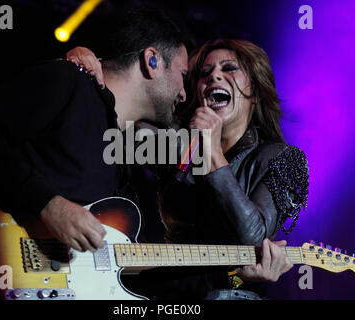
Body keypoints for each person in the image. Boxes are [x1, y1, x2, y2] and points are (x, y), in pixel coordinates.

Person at [66, 38, 308, 300]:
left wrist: (212, 153)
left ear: (256, 91)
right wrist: (89, 74)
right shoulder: (178, 143)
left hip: (229, 293)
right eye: (205, 73)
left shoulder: (282, 159)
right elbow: (113, 125)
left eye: (229, 69)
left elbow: (251, 241)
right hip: (163, 289)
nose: (214, 75)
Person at [0, 8, 188, 254]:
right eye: (182, 75)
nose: (184, 93)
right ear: (152, 61)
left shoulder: (124, 148)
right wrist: (47, 204)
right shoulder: (68, 81)